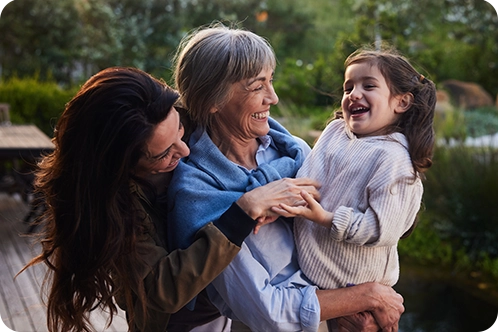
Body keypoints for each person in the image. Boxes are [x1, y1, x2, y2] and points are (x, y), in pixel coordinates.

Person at [19, 67, 317, 332]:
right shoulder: (116, 208)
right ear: (121, 164)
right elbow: (161, 290)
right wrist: (242, 212)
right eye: (163, 154)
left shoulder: (185, 120)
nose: (185, 151)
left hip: (225, 309)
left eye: (180, 131)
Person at [167, 24, 405, 332]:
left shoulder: (293, 152)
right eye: (257, 86)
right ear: (213, 99)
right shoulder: (201, 195)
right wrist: (366, 297)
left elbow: (349, 230)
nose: (274, 97)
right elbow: (269, 313)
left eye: (271, 81)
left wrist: (357, 309)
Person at [275, 47, 436, 330]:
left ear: (401, 102)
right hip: (316, 286)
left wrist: (325, 217)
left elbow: (380, 229)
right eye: (348, 86)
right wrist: (280, 206)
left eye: (368, 86)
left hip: (359, 293)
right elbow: (307, 181)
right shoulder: (335, 132)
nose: (354, 93)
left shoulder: (394, 158)